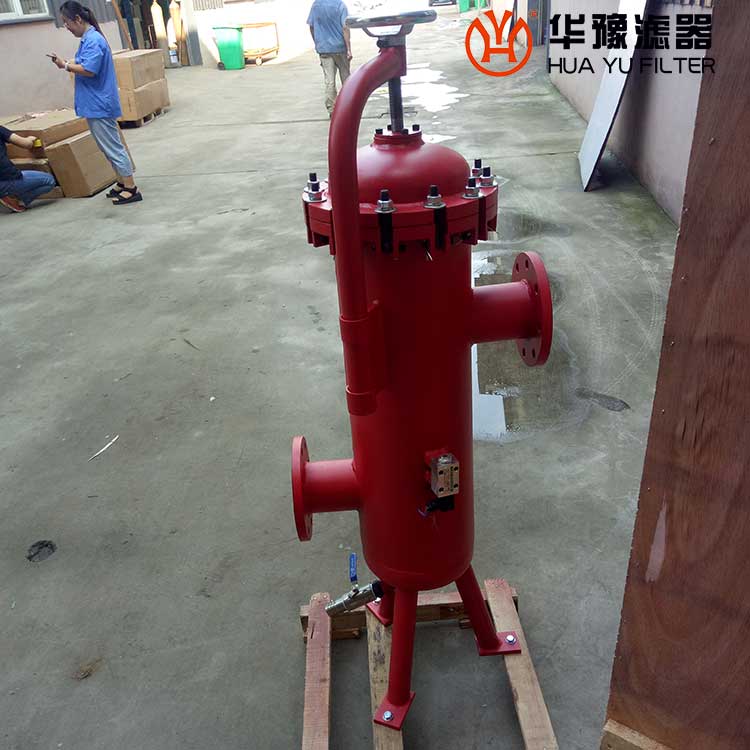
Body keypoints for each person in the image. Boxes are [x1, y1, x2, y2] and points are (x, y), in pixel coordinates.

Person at [50, 1, 141, 205]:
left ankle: (131, 187)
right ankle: (121, 182)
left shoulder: (93, 40)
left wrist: (65, 66)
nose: (66, 26)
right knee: (106, 146)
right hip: (95, 103)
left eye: (66, 22)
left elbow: (90, 70)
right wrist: (66, 63)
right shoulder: (88, 39)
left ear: (78, 19)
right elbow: (84, 63)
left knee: (113, 147)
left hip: (100, 104)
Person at [307, 0, 352, 117]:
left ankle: (332, 110)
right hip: (340, 48)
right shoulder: (340, 5)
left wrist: (317, 43)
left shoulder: (316, 5)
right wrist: (348, 48)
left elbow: (311, 26)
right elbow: (345, 27)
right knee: (346, 78)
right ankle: (348, 106)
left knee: (329, 81)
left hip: (324, 49)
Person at [0, 126, 58, 213]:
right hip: (6, 180)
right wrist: (31, 138)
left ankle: (9, 195)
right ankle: (14, 199)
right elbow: (26, 144)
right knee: (49, 180)